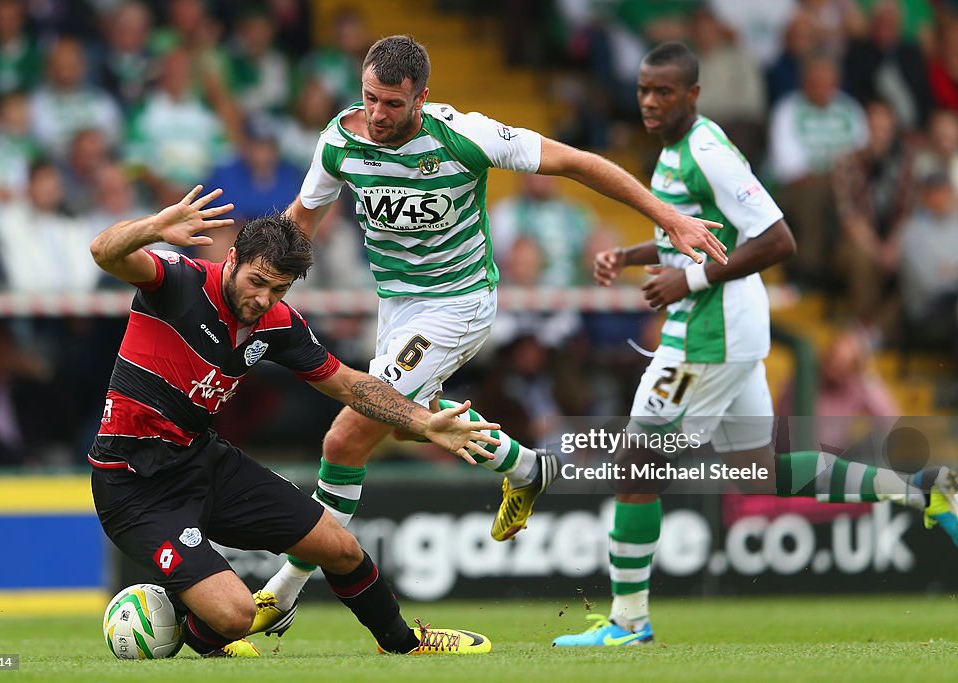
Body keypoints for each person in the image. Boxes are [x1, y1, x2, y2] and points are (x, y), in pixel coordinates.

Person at [258, 34, 728, 636]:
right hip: (396, 308)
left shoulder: (467, 136)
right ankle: (528, 468)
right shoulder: (341, 140)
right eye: (370, 98)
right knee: (406, 417)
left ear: (422, 98)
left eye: (393, 104)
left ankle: (281, 593)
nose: (377, 115)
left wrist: (668, 216)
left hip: (458, 304)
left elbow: (579, 163)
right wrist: (266, 286)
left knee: (346, 437)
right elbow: (301, 221)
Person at [552, 41, 958, 648]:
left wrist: (685, 279)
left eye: (664, 91)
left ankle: (628, 621)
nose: (650, 102)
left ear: (693, 94)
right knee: (763, 471)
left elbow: (777, 240)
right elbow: (702, 234)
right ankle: (926, 490)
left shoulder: (707, 152)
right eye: (643, 90)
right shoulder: (673, 151)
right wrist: (635, 256)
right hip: (727, 328)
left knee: (635, 465)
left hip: (710, 335)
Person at [88, 185, 498, 657]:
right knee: (237, 615)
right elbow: (103, 251)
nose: (263, 298)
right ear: (234, 257)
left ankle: (404, 644)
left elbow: (347, 384)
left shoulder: (278, 323)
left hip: (202, 460)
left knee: (340, 547)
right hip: (133, 484)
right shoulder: (179, 281)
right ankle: (200, 630)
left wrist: (425, 422)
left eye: (278, 288)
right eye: (256, 281)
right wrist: (154, 227)